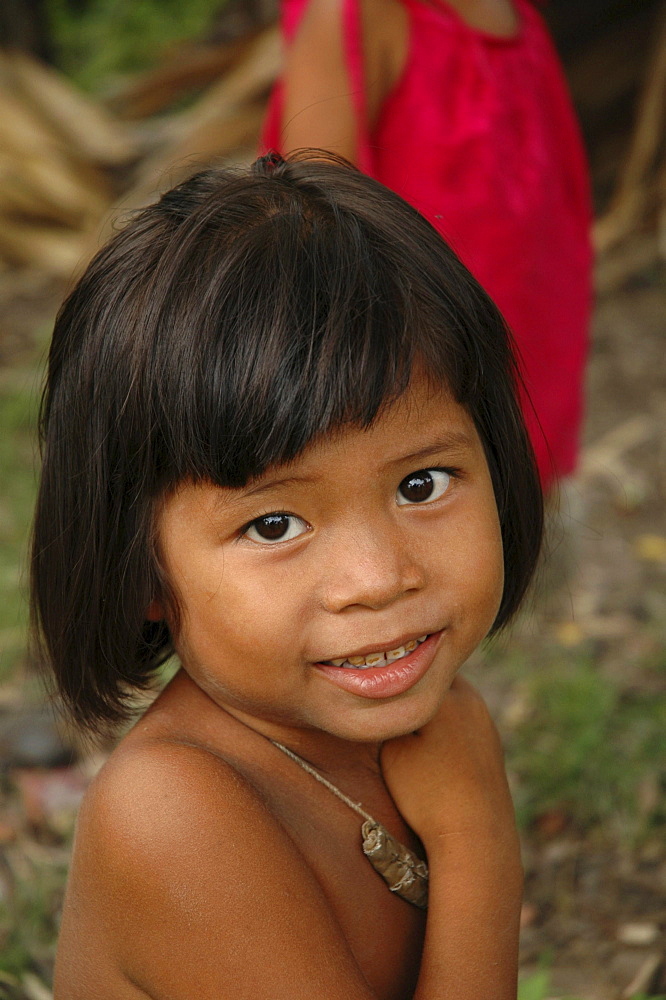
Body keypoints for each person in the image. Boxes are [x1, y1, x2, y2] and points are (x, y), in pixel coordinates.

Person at [31, 152, 543, 999]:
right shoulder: (174, 815)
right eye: (274, 524)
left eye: (421, 484)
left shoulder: (395, 724)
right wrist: (477, 840)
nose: (378, 578)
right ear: (144, 571)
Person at [261, 0, 593, 488]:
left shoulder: (515, 13)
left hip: (529, 354)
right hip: (421, 380)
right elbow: (308, 233)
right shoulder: (356, 17)